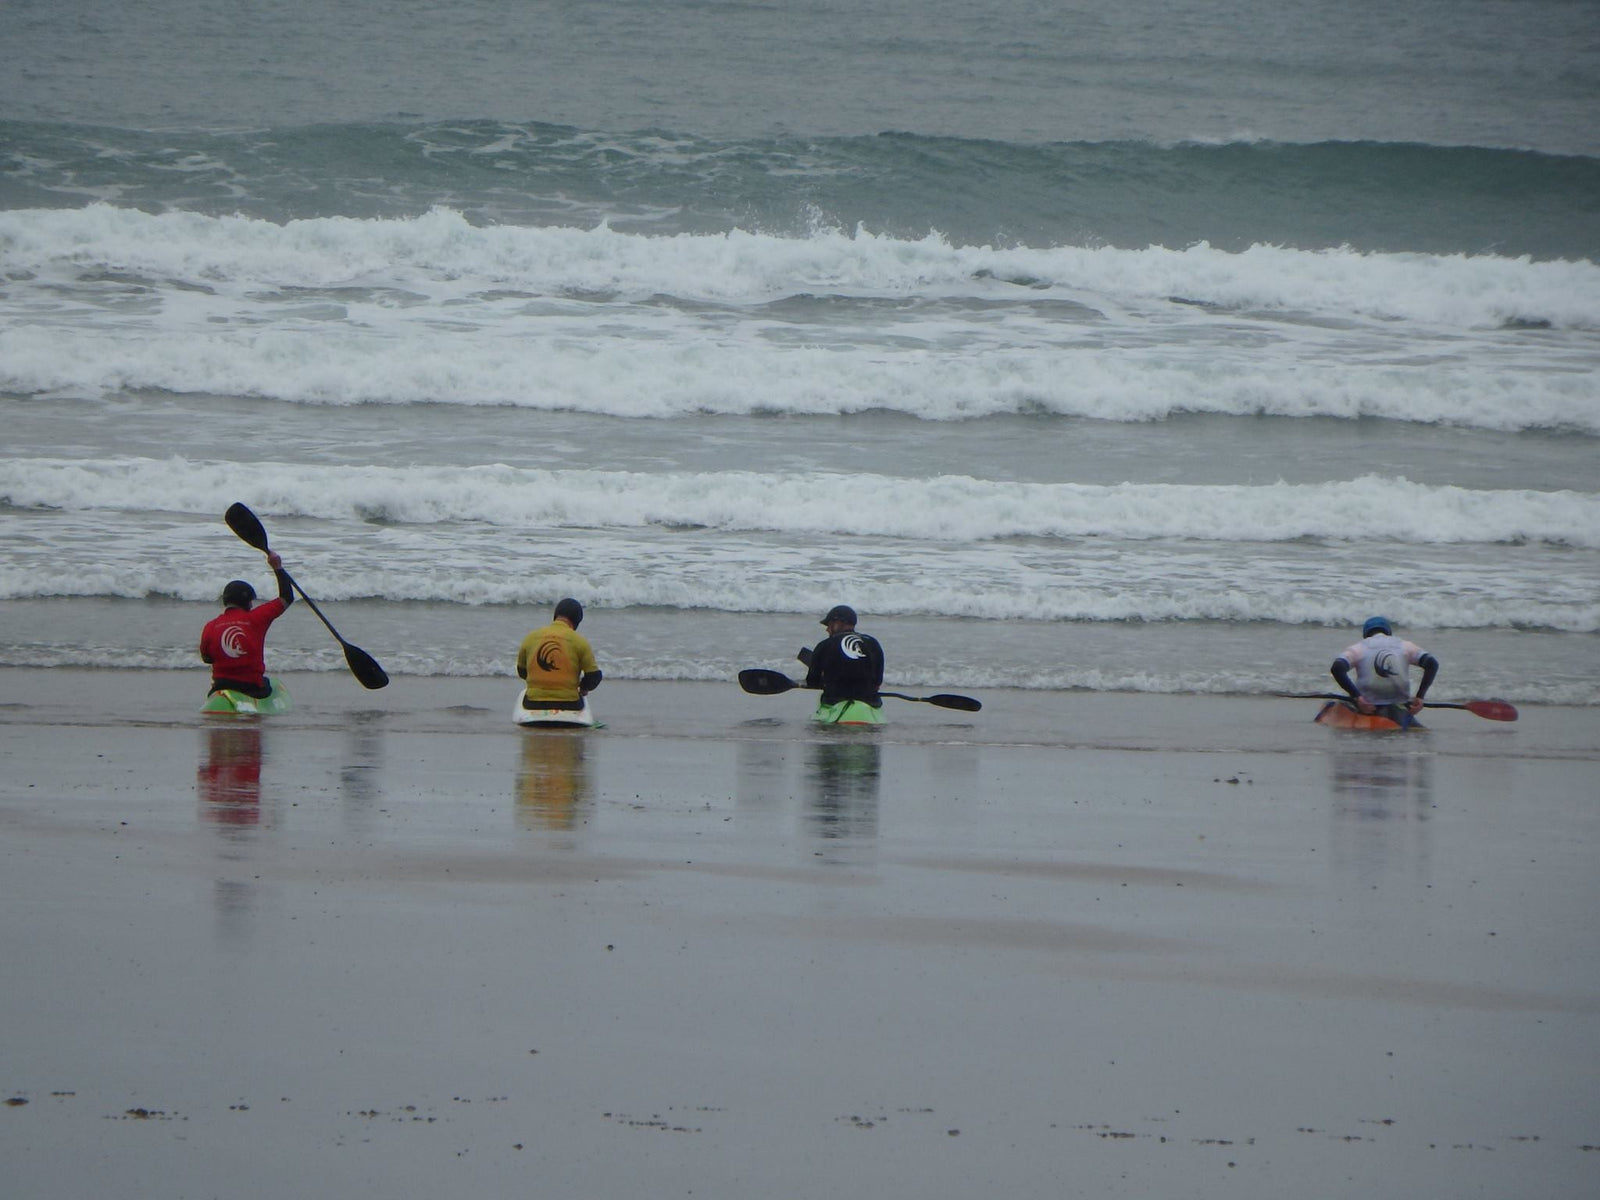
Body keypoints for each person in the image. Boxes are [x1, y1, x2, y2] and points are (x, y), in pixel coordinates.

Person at [200, 551, 294, 699]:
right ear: (247, 601)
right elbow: (286, 597)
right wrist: (278, 568)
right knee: (271, 684)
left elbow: (207, 659)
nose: (251, 604)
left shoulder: (210, 626)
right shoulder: (257, 618)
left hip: (220, 686)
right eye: (251, 601)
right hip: (251, 688)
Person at [1330, 615, 1439, 724]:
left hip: (1368, 706)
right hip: (1400, 703)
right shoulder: (1404, 645)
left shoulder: (1359, 648)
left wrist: (1357, 697)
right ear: (1389, 633)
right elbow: (1432, 664)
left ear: (1366, 634)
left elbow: (1337, 668)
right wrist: (1420, 697)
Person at [517, 598, 602, 710]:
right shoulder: (580, 641)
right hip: (569, 704)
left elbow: (522, 671)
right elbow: (594, 676)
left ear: (556, 615)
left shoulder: (531, 638)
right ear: (577, 621)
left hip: (533, 703)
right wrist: (583, 687)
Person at [803, 604, 885, 711]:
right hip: (869, 702)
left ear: (837, 622)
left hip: (834, 702)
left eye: (829, 624)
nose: (827, 629)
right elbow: (878, 682)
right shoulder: (872, 643)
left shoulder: (825, 645)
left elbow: (812, 681)